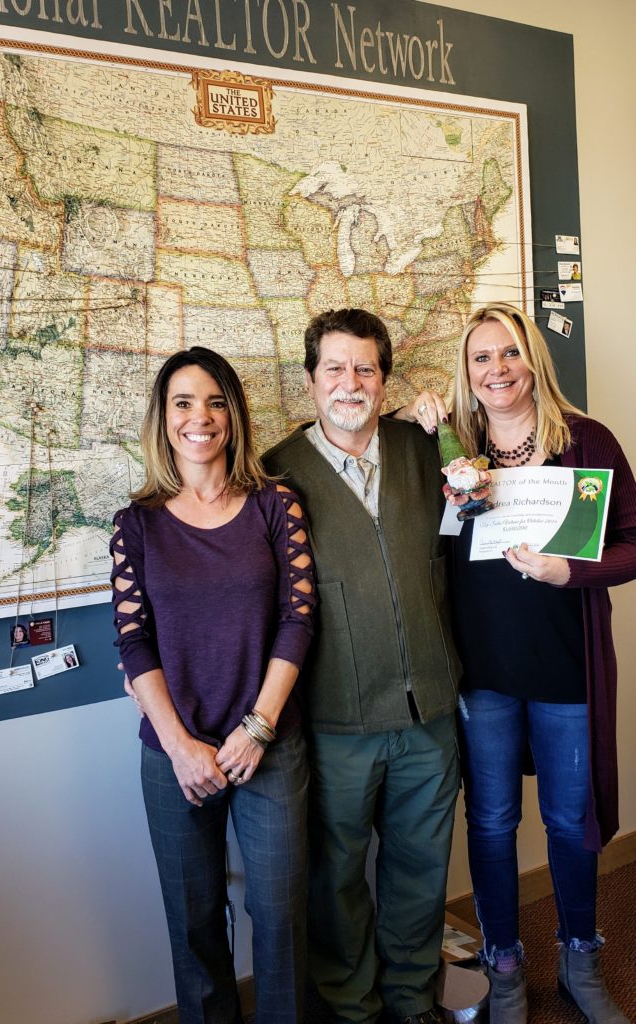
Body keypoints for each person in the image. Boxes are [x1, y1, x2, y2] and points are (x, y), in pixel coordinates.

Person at [400, 302, 636, 1024]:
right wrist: (422, 427)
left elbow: (632, 542)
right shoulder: (453, 451)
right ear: (466, 375)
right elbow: (425, 542)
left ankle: (579, 955)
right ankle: (503, 962)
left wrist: (574, 573)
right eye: (480, 358)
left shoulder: (586, 440)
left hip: (566, 670)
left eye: (508, 353)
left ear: (532, 358)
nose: (496, 369)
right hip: (484, 674)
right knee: (493, 822)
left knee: (569, 824)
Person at [263, 308, 461, 1024]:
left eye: (365, 369)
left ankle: (412, 1002)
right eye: (335, 369)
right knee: (336, 878)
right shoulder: (274, 473)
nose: (351, 383)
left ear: (383, 379)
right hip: (335, 719)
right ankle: (351, 1006)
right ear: (310, 380)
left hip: (429, 714)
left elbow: (479, 507)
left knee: (419, 873)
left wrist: (446, 422)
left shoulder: (420, 446)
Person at [111, 346, 315, 1024]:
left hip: (267, 744)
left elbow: (299, 618)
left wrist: (256, 728)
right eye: (183, 402)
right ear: (162, 418)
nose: (201, 417)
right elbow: (132, 640)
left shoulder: (273, 504)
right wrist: (179, 746)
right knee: (193, 917)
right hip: (175, 754)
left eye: (216, 402)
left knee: (280, 912)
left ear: (234, 415)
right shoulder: (135, 524)